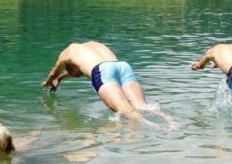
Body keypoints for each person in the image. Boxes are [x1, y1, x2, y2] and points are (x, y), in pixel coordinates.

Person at [41, 41, 173, 125]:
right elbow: (83, 70)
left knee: (125, 110)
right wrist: (61, 78)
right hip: (122, 66)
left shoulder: (66, 53)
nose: (79, 76)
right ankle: (172, 123)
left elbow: (53, 73)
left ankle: (154, 129)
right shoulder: (94, 46)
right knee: (143, 106)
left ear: (71, 67)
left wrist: (48, 82)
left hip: (103, 71)